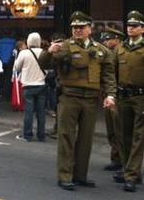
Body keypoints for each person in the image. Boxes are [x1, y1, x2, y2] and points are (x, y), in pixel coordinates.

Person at [40, 11, 116, 191]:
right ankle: (65, 176)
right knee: (66, 136)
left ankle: (80, 176)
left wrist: (110, 95)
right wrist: (48, 52)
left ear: (90, 29)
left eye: (81, 28)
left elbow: (108, 76)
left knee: (85, 139)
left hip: (90, 100)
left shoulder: (101, 50)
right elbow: (44, 64)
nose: (77, 31)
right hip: (69, 97)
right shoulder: (64, 46)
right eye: (74, 28)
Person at [113, 11, 144, 192]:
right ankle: (130, 170)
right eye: (129, 26)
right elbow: (113, 72)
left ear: (142, 28)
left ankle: (131, 175)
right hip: (123, 96)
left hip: (141, 97)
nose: (130, 29)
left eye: (135, 26)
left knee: (139, 137)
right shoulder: (121, 48)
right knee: (124, 136)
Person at [100, 28, 125, 173]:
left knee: (119, 130)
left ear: (117, 39)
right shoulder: (109, 54)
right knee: (112, 130)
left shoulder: (120, 53)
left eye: (109, 39)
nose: (106, 42)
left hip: (119, 96)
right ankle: (116, 159)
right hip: (109, 95)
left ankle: (123, 161)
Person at [13, 32, 46, 142]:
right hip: (41, 85)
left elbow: (17, 68)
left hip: (28, 86)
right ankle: (41, 135)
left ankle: (28, 135)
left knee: (29, 112)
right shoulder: (44, 52)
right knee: (41, 112)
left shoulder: (24, 53)